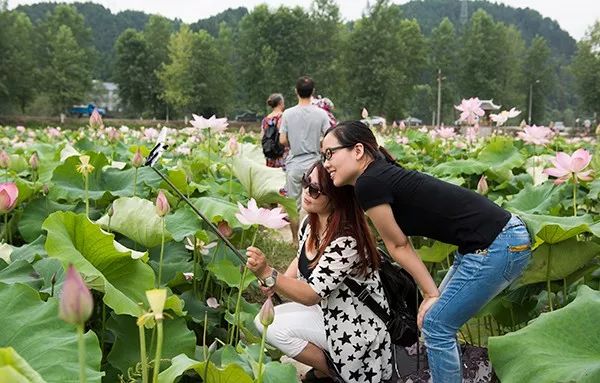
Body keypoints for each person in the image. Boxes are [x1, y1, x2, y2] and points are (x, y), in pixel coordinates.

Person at [320, 120, 532, 383]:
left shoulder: (369, 182)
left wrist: (430, 293)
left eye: (330, 153)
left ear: (358, 150)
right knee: (433, 323)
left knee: (437, 325)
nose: (326, 163)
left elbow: (398, 245)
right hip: (491, 241)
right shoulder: (378, 175)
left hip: (497, 243)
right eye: (322, 156)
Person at [246, 161, 393, 383]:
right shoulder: (311, 222)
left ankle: (337, 372)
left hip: (356, 323)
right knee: (266, 319)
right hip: (329, 310)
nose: (307, 192)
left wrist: (270, 273)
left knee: (273, 328)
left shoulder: (347, 240)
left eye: (315, 190)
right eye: (306, 182)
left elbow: (311, 294)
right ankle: (330, 368)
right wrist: (275, 279)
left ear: (337, 198)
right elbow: (300, 259)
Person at [279, 76, 330, 242]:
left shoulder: (287, 114)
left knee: (293, 205)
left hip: (294, 163)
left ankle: (295, 240)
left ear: (296, 92)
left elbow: (282, 140)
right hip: (315, 164)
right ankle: (314, 238)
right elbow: (329, 137)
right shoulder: (321, 114)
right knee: (316, 203)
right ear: (313, 92)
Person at [261, 93, 288, 169]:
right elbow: (283, 137)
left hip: (270, 153)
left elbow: (262, 136)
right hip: (282, 153)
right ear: (280, 103)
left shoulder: (265, 119)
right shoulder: (283, 117)